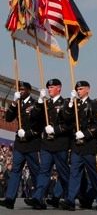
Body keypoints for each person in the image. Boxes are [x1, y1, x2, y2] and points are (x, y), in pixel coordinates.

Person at [24, 78, 74, 209]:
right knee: (43, 171)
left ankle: (69, 199)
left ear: (59, 88)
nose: (49, 89)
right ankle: (38, 197)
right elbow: (33, 119)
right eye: (48, 87)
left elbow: (69, 123)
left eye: (52, 87)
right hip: (46, 144)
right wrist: (40, 101)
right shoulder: (45, 104)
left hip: (60, 143)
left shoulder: (66, 103)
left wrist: (56, 130)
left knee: (63, 173)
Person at [59, 81, 97, 211]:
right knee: (74, 173)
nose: (79, 91)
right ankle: (70, 200)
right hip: (76, 146)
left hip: (89, 145)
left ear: (88, 90)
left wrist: (85, 134)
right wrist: (69, 105)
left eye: (81, 89)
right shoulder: (74, 104)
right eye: (77, 89)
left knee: (93, 174)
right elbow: (66, 119)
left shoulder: (93, 104)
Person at [0, 81, 42, 209]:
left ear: (29, 90)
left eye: (23, 89)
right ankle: (9, 199)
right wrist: (13, 103)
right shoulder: (17, 103)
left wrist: (27, 133)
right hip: (19, 144)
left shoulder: (35, 104)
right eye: (19, 89)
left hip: (31, 143)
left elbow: (38, 123)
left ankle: (38, 198)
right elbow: (8, 119)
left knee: (35, 172)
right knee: (15, 171)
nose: (21, 91)